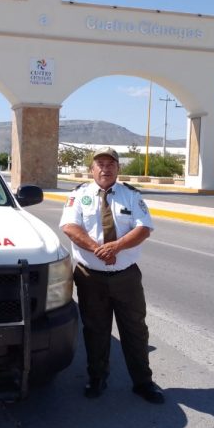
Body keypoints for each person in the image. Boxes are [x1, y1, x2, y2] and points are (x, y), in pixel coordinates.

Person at [59, 147, 164, 403]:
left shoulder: (131, 196)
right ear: (92, 169)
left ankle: (143, 382)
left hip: (125, 277)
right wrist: (99, 250)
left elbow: (144, 228)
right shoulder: (79, 195)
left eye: (111, 164)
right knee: (95, 330)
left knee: (135, 330)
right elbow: (70, 227)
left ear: (118, 168)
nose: (105, 168)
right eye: (100, 164)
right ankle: (97, 378)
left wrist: (116, 247)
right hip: (90, 276)